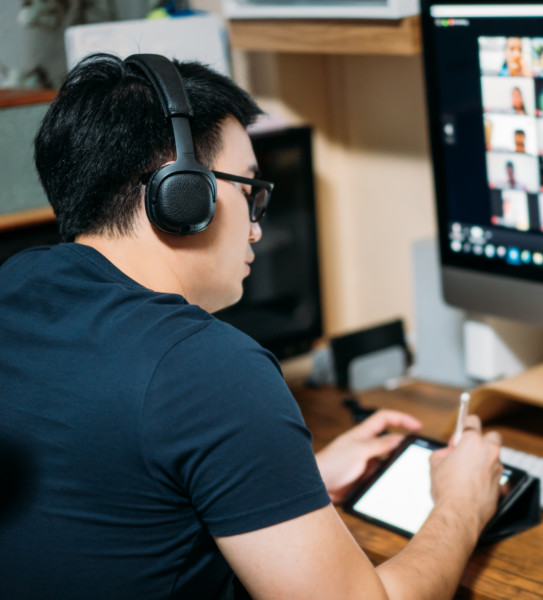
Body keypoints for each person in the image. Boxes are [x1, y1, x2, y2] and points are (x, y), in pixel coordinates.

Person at [0, 53, 504, 599]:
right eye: (249, 191)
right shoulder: (207, 367)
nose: (258, 228)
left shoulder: (16, 284)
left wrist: (276, 482)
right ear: (182, 192)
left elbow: (103, 488)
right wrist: (463, 503)